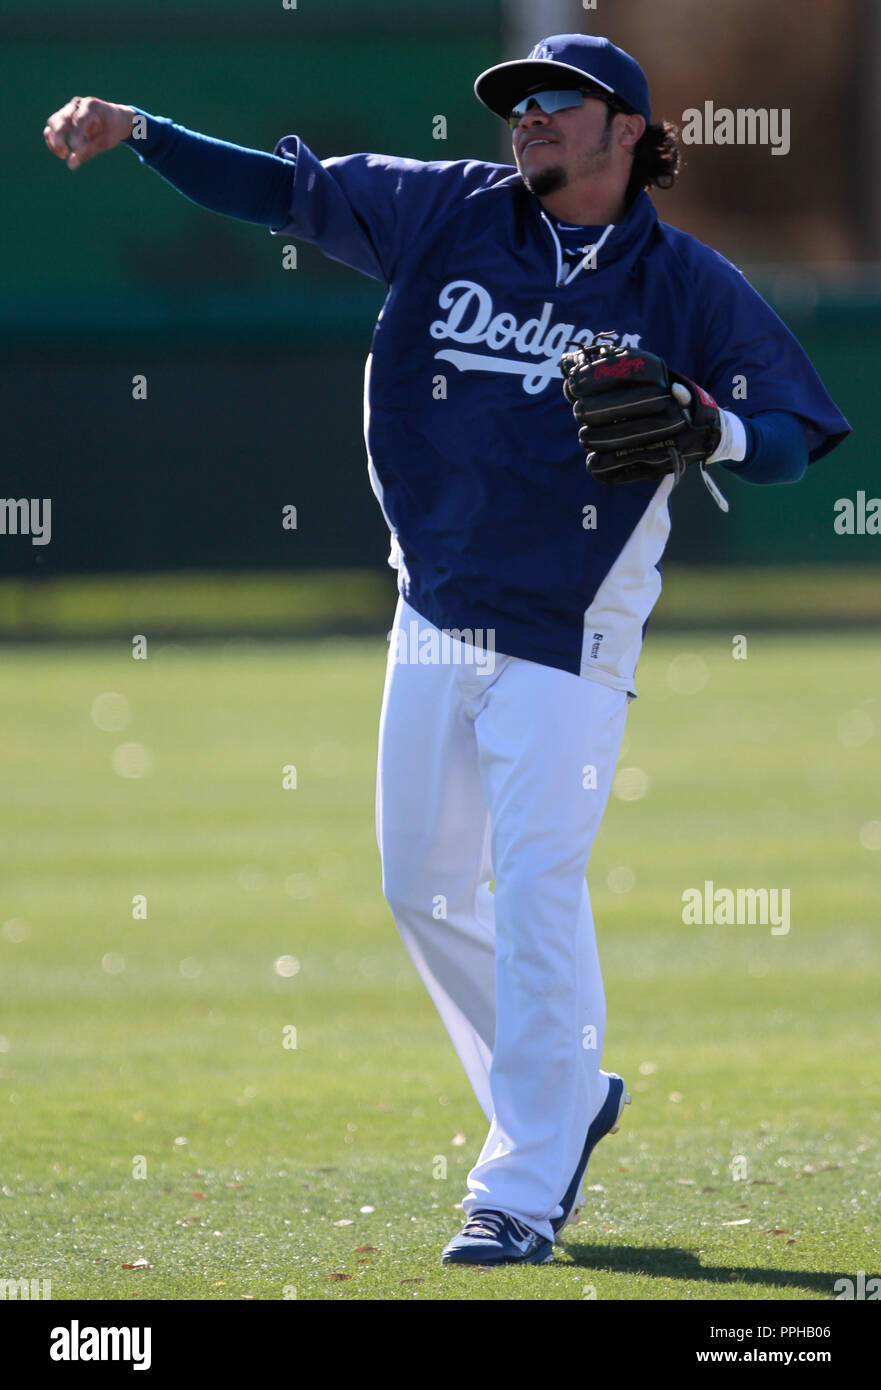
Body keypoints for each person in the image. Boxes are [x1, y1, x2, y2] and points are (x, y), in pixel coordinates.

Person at [44, 33, 850, 1268]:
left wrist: (712, 426)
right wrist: (144, 129)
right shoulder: (443, 212)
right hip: (432, 606)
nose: (524, 117)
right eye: (514, 102)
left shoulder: (683, 283)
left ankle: (520, 1186)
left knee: (534, 888)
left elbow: (796, 429)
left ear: (626, 131)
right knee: (418, 886)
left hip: (568, 628)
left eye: (555, 103)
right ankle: (567, 1100)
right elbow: (279, 189)